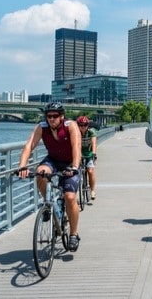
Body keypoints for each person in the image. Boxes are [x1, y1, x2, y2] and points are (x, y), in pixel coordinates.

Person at [17, 102, 83, 252]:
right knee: (40, 172)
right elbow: (29, 146)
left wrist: (74, 167)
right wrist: (22, 165)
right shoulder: (42, 127)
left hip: (70, 162)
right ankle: (48, 204)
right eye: (49, 116)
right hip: (53, 160)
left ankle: (73, 234)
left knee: (70, 197)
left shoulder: (70, 126)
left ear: (62, 116)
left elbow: (76, 147)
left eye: (55, 116)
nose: (51, 119)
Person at [76, 116, 98, 200]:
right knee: (76, 172)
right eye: (81, 125)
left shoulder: (91, 132)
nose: (83, 127)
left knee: (90, 171)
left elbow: (94, 143)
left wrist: (94, 154)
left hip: (89, 154)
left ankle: (92, 190)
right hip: (79, 154)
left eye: (85, 125)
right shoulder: (76, 132)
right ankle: (76, 193)